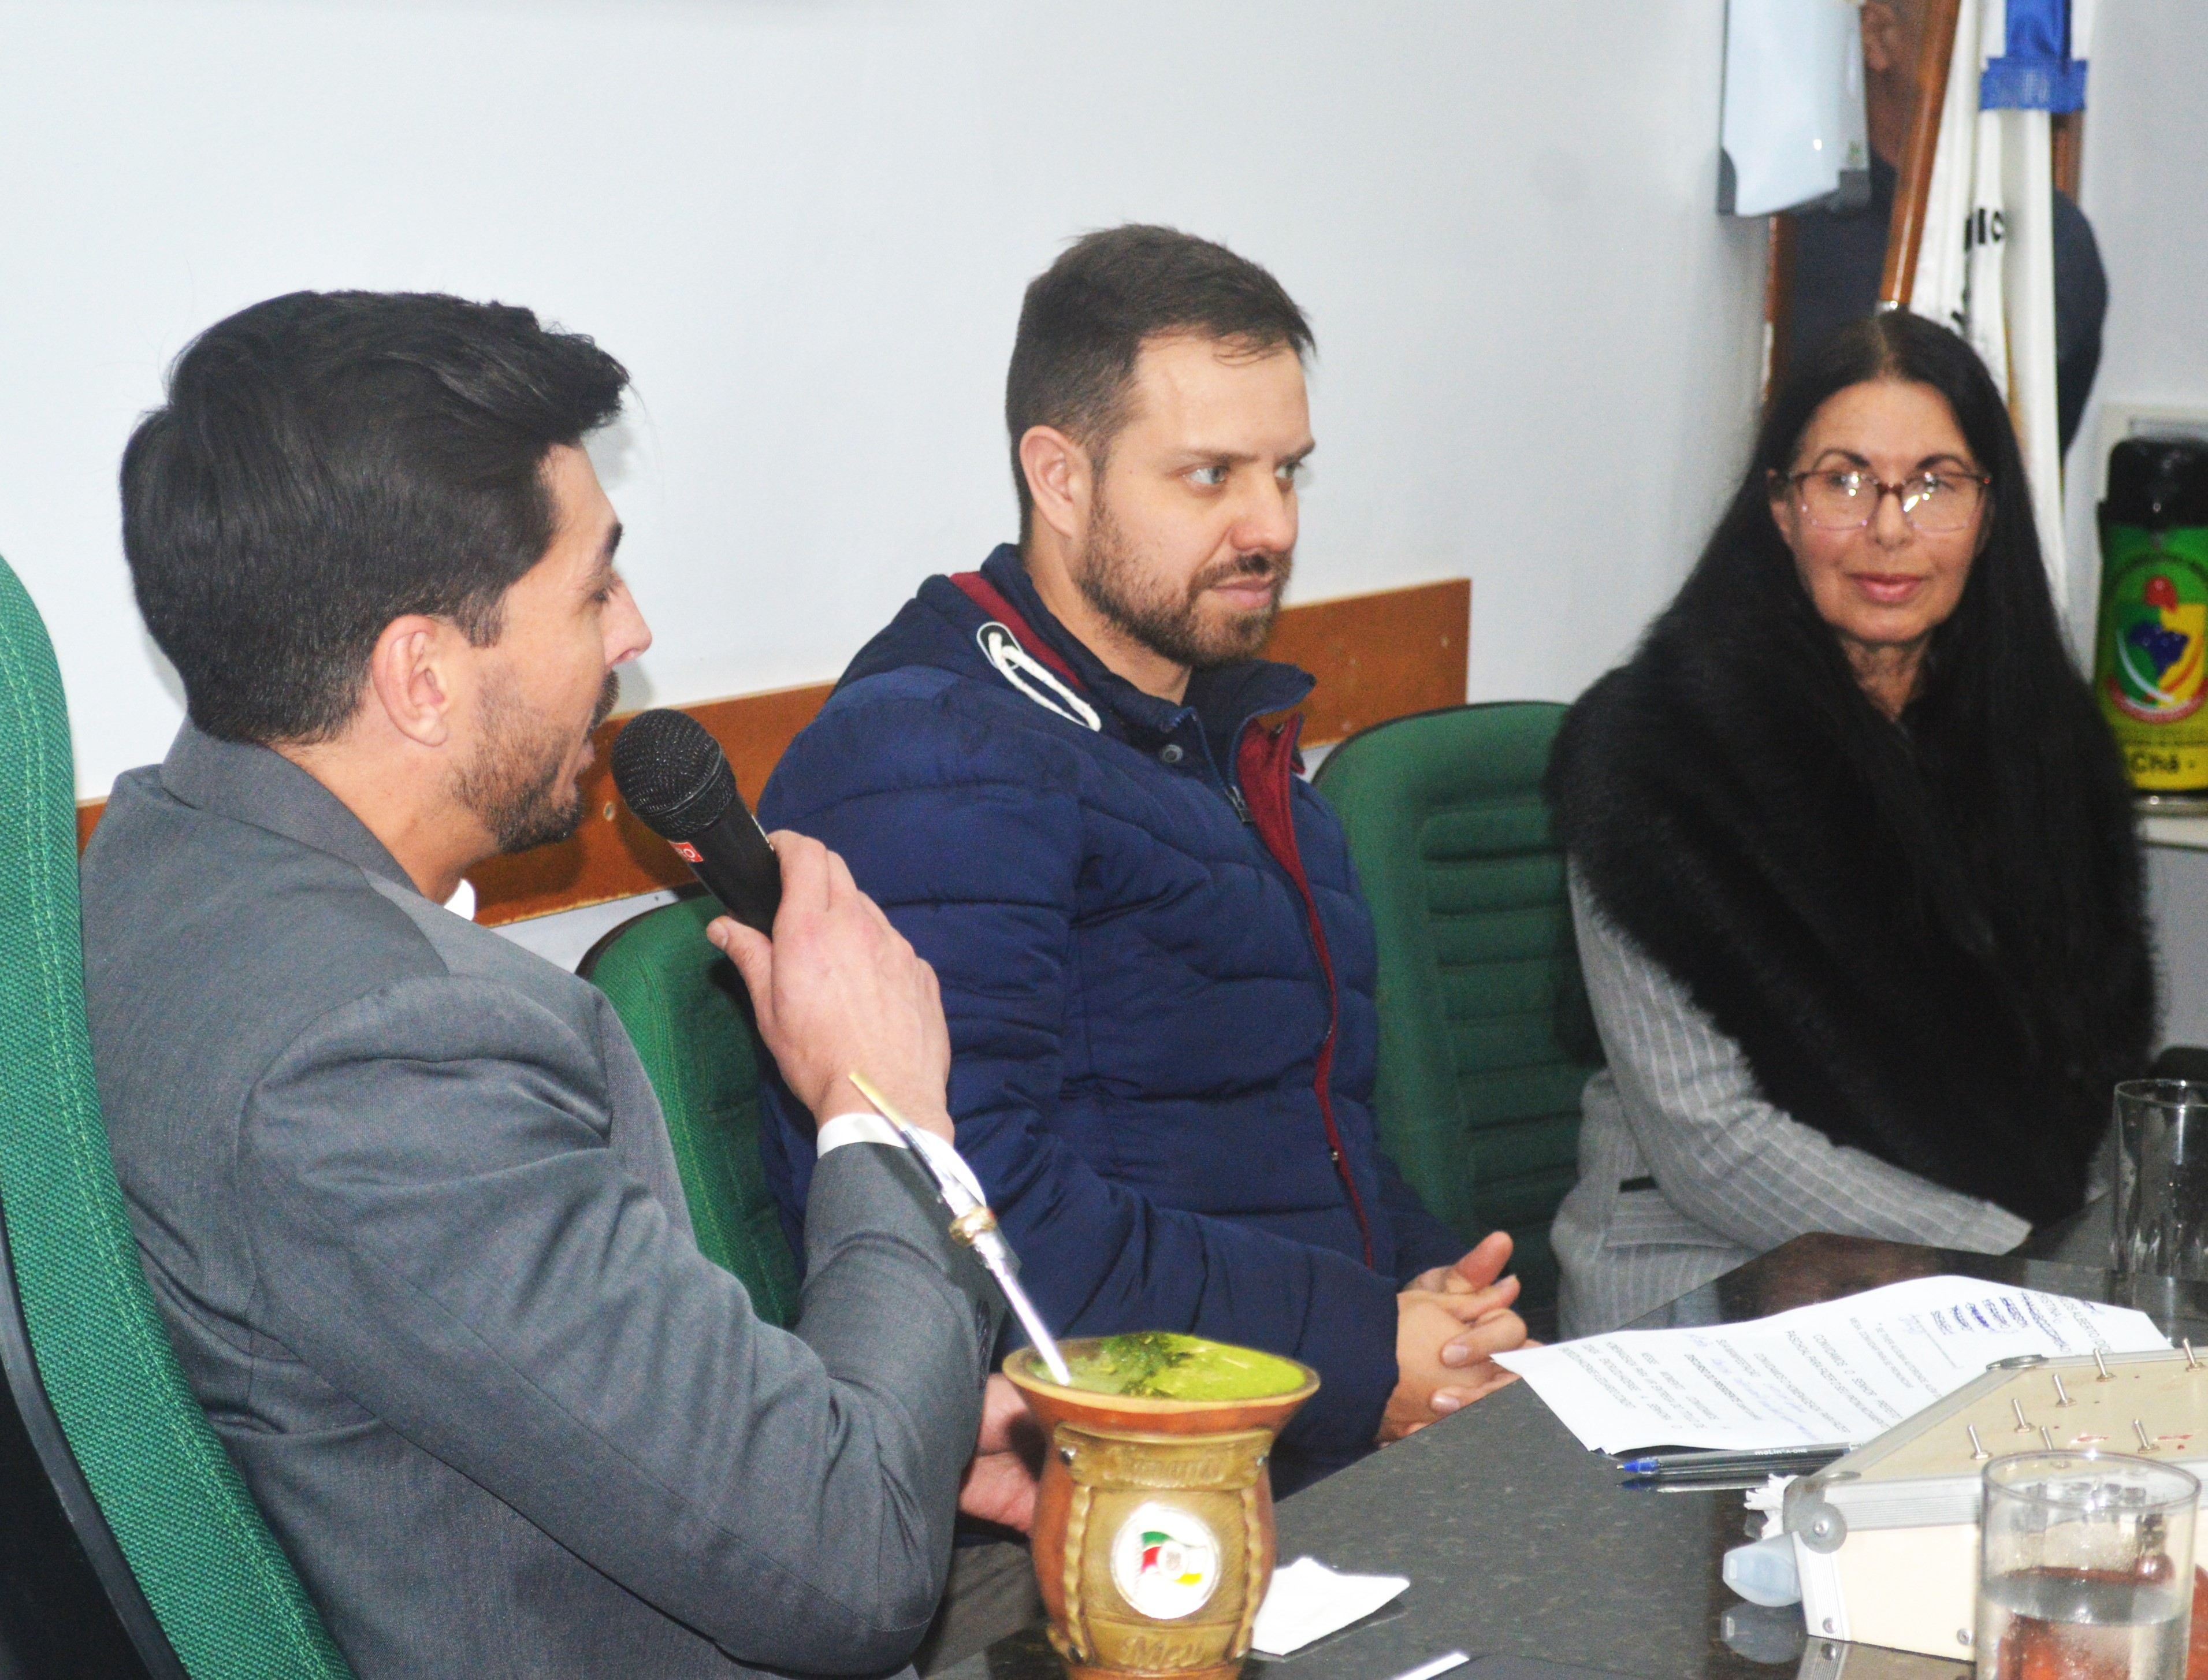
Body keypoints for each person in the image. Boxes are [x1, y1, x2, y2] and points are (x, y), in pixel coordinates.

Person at [80, 290, 1035, 1679]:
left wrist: (901, 1413)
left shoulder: (141, 877)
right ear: (421, 673)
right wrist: (883, 1106)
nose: (632, 631)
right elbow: (852, 1560)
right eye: (592, 589)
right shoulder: (386, 1058)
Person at [756, 225, 1529, 1493]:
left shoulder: (1213, 735)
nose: (1269, 525)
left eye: (1287, 472)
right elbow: (974, 1218)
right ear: (1060, 478)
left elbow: (1301, 1123)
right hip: (1107, 1479)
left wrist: (1427, 1292)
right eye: (1210, 475)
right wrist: (1360, 1345)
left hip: (1294, 1422)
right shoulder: (932, 755)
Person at [1544, 309, 2154, 1339]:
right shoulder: (1656, 751)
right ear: (1780, 508)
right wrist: (2014, 1259)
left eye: (1934, 484)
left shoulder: (2049, 748)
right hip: (1706, 1273)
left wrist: (2063, 1264)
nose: (1888, 529)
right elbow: (1711, 1145)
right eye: (1843, 481)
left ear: (1988, 514)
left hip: (1995, 1279)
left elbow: (2090, 1081)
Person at [1787, 0, 2107, 452]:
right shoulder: (1795, 228)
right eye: (1976, 24)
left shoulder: (2054, 242)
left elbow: (2028, 462)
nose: (2000, 54)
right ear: (1877, 35)